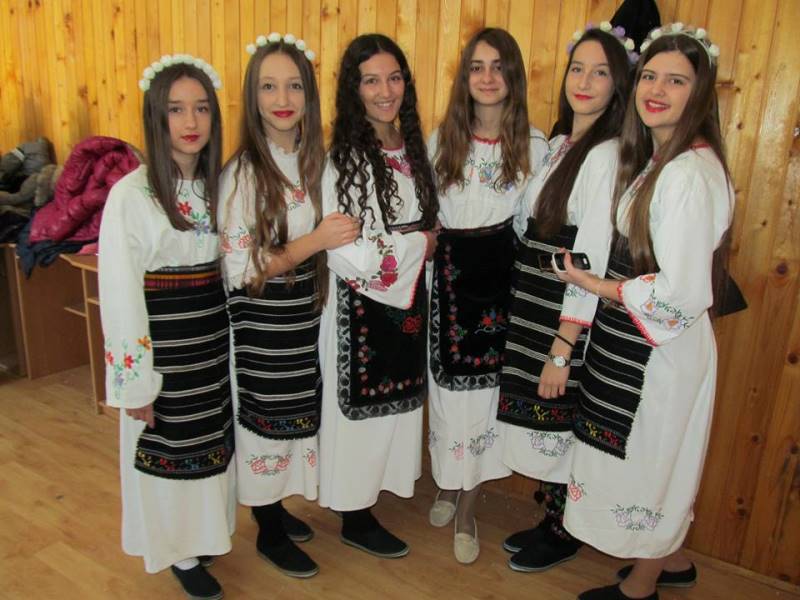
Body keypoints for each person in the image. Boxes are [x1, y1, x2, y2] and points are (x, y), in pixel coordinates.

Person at [556, 24, 733, 600]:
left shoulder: (685, 175)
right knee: (657, 462)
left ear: (699, 93)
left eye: (676, 81)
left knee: (655, 465)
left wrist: (596, 285)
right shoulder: (670, 161)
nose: (657, 90)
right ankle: (670, 561)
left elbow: (681, 292)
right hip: (650, 340)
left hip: (662, 347)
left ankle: (641, 588)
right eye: (650, 76)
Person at [218, 34, 360, 579]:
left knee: (295, 419)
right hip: (263, 319)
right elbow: (242, 267)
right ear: (252, 97)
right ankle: (268, 527)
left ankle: (276, 507)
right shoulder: (243, 173)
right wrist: (315, 241)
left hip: (304, 313)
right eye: (269, 87)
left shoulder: (314, 161)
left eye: (294, 86)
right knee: (263, 423)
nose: (283, 99)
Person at [496, 23, 634, 574]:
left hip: (563, 310)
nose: (584, 81)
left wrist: (563, 346)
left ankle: (563, 530)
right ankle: (552, 518)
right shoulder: (560, 145)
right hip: (535, 300)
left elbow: (590, 257)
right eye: (578, 68)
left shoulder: (606, 155)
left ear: (617, 86)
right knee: (543, 419)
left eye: (600, 73)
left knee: (559, 416)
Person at [99, 55, 233, 600]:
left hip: (210, 342)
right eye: (176, 109)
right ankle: (177, 550)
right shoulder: (132, 195)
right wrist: (136, 385)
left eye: (201, 108)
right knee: (167, 449)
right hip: (163, 347)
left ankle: (203, 535)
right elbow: (120, 295)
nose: (190, 121)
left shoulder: (217, 185)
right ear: (157, 116)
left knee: (209, 444)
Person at [426, 27, 548, 565]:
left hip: (498, 286)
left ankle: (469, 505)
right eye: (477, 66)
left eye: (498, 66)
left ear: (513, 75)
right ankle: (447, 484)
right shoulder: (442, 139)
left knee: (483, 402)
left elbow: (532, 225)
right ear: (465, 77)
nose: (488, 77)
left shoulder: (533, 146)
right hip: (448, 283)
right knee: (447, 396)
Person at [318, 33, 438, 558]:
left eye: (393, 78)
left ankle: (373, 494)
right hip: (360, 301)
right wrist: (421, 245)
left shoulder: (412, 145)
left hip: (406, 293)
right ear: (354, 89)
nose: (385, 91)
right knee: (360, 416)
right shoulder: (345, 157)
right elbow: (348, 250)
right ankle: (353, 513)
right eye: (371, 81)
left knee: (395, 405)